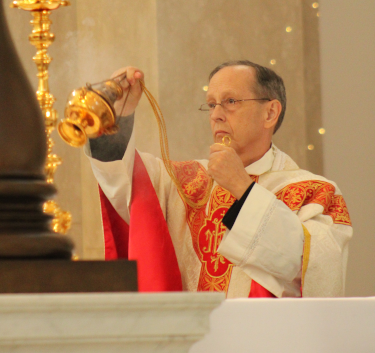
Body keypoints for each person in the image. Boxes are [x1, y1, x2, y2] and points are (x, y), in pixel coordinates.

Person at [86, 60, 353, 298]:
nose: (216, 114)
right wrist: (115, 119)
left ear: (270, 113)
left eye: (231, 102)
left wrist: (243, 189)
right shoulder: (185, 183)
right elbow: (125, 184)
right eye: (212, 104)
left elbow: (317, 271)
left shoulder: (314, 193)